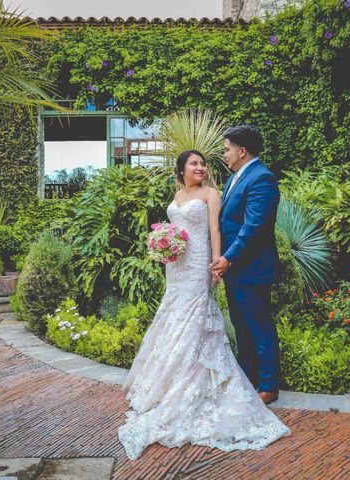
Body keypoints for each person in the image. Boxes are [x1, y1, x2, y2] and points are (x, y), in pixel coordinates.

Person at [118, 149, 290, 460]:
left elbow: (215, 230)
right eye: (194, 163)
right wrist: (164, 244)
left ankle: (246, 381)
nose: (201, 167)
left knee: (200, 318)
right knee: (176, 315)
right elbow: (175, 227)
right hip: (177, 266)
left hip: (198, 265)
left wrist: (216, 262)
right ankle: (169, 379)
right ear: (181, 169)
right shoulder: (177, 193)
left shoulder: (213, 192)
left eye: (202, 163)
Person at [210, 125, 281, 406]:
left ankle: (269, 385)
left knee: (259, 326)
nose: (224, 153)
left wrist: (228, 257)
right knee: (241, 325)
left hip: (252, 269)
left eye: (227, 148)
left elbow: (254, 227)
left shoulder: (262, 178)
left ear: (242, 151)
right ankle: (249, 378)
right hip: (236, 269)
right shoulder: (234, 179)